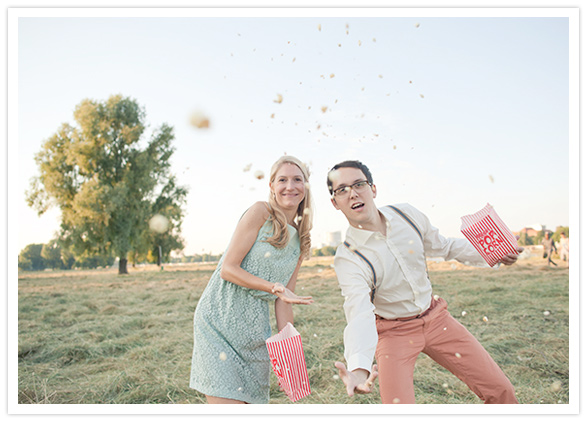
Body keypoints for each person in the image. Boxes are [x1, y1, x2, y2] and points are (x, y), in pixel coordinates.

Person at [326, 160, 523, 404]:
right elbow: (359, 312)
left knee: (501, 391)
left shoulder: (406, 215)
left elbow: (445, 247)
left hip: (437, 319)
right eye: (342, 190)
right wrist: (358, 369)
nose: (353, 193)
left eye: (359, 184)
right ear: (335, 203)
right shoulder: (349, 257)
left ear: (373, 189)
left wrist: (493, 253)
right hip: (393, 333)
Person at [189, 155, 314, 404]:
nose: (290, 186)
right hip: (219, 321)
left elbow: (283, 301)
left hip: (254, 332)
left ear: (305, 187)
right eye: (282, 180)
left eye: (297, 179)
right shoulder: (260, 212)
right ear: (272, 186)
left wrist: (290, 362)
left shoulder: (301, 240)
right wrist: (272, 286)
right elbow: (228, 269)